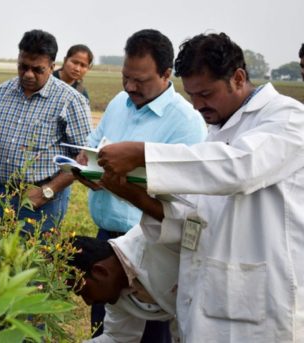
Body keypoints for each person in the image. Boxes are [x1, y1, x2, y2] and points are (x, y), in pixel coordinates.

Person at [95, 32, 304, 342]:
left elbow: (238, 168)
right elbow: (192, 216)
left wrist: (143, 154)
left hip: (260, 311)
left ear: (237, 77)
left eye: (205, 94)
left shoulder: (287, 120)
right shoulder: (216, 132)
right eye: (191, 95)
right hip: (208, 302)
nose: (197, 106)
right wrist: (131, 193)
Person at [75, 29, 206, 341]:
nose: (130, 86)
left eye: (141, 80)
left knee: (156, 327)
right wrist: (85, 166)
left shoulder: (187, 123)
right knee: (108, 322)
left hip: (157, 246)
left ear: (166, 74)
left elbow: (188, 202)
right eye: (126, 77)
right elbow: (94, 145)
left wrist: (123, 184)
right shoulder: (120, 102)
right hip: (109, 240)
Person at [0, 29, 92, 235]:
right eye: (23, 67)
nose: (28, 74)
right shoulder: (2, 92)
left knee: (30, 262)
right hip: (0, 193)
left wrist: (47, 192)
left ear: (52, 67)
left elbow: (83, 158)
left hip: (43, 198)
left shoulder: (71, 100)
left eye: (37, 69)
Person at [67, 226, 179, 343]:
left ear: (100, 271)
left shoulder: (157, 240)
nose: (88, 302)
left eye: (84, 292)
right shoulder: (115, 288)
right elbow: (117, 338)